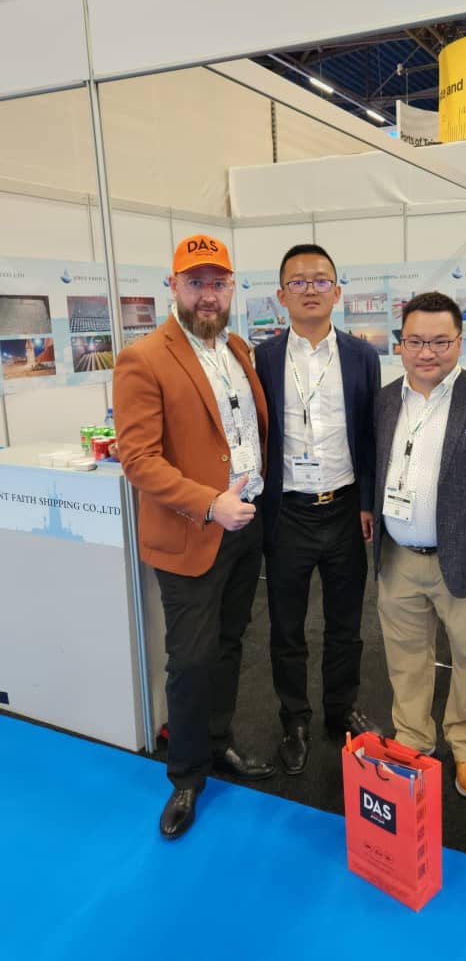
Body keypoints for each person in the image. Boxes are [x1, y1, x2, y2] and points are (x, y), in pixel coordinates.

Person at [113, 234, 275, 840]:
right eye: (196, 282)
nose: (208, 295)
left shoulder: (236, 348)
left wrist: (242, 505)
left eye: (218, 283)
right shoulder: (143, 358)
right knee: (191, 659)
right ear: (173, 286)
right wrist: (210, 504)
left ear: (232, 288)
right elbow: (139, 460)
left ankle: (217, 741)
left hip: (246, 524)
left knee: (230, 643)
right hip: (191, 532)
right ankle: (185, 775)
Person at [255, 244, 381, 776]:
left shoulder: (361, 356)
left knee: (345, 623)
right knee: (286, 627)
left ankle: (340, 710)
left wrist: (369, 502)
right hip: (287, 512)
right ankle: (295, 720)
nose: (310, 289)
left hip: (345, 508)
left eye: (321, 280)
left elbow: (370, 434)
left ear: (337, 291)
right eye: (299, 281)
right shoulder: (261, 358)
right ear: (281, 295)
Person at [373, 292, 466, 798]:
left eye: (440, 342)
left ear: (460, 341)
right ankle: (412, 737)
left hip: (465, 554)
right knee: (405, 655)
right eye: (415, 341)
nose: (427, 352)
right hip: (398, 556)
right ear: (400, 344)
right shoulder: (385, 400)